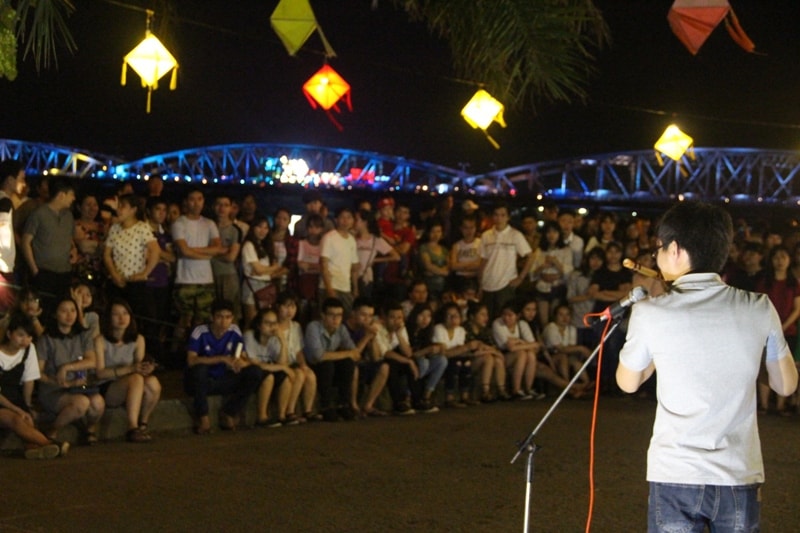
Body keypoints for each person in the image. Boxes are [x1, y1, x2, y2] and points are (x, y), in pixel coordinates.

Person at [617, 202, 798, 533]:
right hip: (738, 472)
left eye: (658, 248)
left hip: (675, 471)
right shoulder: (759, 306)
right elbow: (785, 384)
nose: (656, 256)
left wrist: (662, 341)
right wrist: (741, 358)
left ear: (675, 249)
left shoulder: (651, 312)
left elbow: (628, 382)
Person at [184, 299, 264, 434]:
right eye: (219, 317)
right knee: (199, 370)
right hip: (203, 381)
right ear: (212, 317)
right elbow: (191, 360)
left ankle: (229, 412)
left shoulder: (234, 331)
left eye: (228, 317)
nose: (224, 322)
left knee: (255, 372)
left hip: (224, 377)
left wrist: (240, 363)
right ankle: (203, 417)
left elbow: (243, 356)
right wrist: (221, 358)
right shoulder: (200, 331)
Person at [36, 295, 105, 444]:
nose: (69, 315)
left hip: (78, 385)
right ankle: (52, 430)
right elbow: (38, 372)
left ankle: (89, 429)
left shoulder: (82, 335)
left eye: (73, 310)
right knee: (81, 403)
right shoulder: (46, 339)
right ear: (55, 314)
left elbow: (92, 361)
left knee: (98, 403)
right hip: (54, 388)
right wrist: (56, 381)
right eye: (64, 311)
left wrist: (67, 367)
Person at [0, 313, 69, 459]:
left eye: (29, 336)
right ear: (9, 334)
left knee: (27, 419)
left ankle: (33, 449)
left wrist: (26, 406)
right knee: (15, 419)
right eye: (20, 335)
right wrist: (17, 409)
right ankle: (49, 443)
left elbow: (29, 380)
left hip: (14, 397)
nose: (25, 340)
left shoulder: (29, 349)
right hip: (2, 400)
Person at [94, 299, 161, 443]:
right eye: (116, 314)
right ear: (108, 318)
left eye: (125, 313)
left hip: (132, 383)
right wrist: (129, 369)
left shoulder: (138, 339)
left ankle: (143, 424)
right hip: (108, 386)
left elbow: (139, 366)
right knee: (135, 378)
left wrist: (147, 368)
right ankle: (132, 427)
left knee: (153, 383)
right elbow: (100, 373)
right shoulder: (100, 340)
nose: (121, 318)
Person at [171, 188, 225, 350]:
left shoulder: (209, 223)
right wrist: (207, 253)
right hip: (185, 279)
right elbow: (184, 251)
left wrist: (192, 251)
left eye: (200, 199)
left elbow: (217, 248)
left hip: (206, 279)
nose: (196, 203)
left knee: (203, 320)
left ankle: (198, 350)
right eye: (192, 199)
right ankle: (175, 352)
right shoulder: (179, 223)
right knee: (183, 320)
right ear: (186, 202)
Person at [21, 178, 77, 309]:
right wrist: (35, 270)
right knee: (44, 309)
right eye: (71, 194)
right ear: (61, 195)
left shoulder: (69, 216)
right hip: (44, 272)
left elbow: (69, 238)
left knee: (62, 309)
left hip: (65, 272)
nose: (74, 198)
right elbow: (25, 242)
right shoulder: (38, 214)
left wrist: (74, 250)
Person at [103, 194, 160, 320]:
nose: (118, 209)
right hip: (117, 281)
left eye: (122, 206)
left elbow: (155, 251)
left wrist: (145, 273)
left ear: (133, 210)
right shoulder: (114, 228)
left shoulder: (142, 227)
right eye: (118, 206)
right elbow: (107, 254)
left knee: (136, 318)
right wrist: (114, 274)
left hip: (135, 282)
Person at [303, 297, 360, 422]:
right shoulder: (313, 327)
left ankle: (343, 404)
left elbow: (355, 353)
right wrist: (347, 353)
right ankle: (326, 405)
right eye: (331, 315)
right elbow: (318, 356)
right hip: (312, 366)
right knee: (327, 365)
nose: (335, 319)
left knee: (348, 364)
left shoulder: (341, 329)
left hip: (330, 366)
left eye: (339, 315)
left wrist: (346, 354)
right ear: (323, 315)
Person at [479, 201, 534, 321]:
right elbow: (483, 260)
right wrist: (480, 283)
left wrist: (520, 278)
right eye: (496, 215)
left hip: (505, 284)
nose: (499, 218)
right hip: (487, 283)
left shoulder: (515, 235)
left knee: (504, 318)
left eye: (503, 215)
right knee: (486, 319)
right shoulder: (486, 236)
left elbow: (530, 256)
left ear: (508, 217)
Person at [243, 307, 296, 427]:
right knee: (269, 377)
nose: (272, 327)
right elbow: (254, 363)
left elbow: (283, 363)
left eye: (274, 323)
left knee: (285, 377)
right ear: (259, 325)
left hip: (268, 370)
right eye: (267, 323)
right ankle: (262, 416)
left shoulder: (274, 338)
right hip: (252, 374)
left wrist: (282, 341)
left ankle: (282, 415)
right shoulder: (249, 336)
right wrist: (283, 367)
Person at [275, 291, 319, 422]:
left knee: (310, 375)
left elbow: (299, 351)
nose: (290, 310)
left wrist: (304, 365)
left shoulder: (296, 326)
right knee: (298, 374)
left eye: (293, 306)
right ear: (278, 307)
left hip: (293, 362)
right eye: (286, 306)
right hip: (279, 362)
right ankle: (290, 410)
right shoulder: (274, 326)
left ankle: (308, 410)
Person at [240, 216, 287, 325]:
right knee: (251, 322)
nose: (263, 231)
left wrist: (264, 270)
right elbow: (259, 269)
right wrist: (272, 268)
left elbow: (262, 270)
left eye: (266, 228)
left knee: (265, 322)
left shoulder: (265, 245)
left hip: (266, 286)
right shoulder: (249, 245)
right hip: (252, 285)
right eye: (259, 227)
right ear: (253, 228)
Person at [319, 207, 359, 314]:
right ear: (336, 219)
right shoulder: (329, 237)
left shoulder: (352, 240)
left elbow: (354, 268)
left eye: (349, 217)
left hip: (345, 287)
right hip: (330, 286)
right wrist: (329, 289)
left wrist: (355, 289)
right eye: (342, 217)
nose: (345, 221)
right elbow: (323, 264)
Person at [211, 194, 243, 321]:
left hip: (227, 275)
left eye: (226, 205)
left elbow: (231, 257)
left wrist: (209, 253)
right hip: (208, 274)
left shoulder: (235, 230)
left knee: (229, 313)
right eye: (219, 204)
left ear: (231, 208)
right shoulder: (208, 226)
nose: (222, 208)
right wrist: (221, 251)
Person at [0, 159, 26, 313]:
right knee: (5, 314)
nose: (24, 183)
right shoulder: (5, 202)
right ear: (10, 180)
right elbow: (3, 237)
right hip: (3, 270)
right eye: (21, 178)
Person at [72, 193, 106, 287]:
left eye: (95, 204)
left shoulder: (102, 226)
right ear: (79, 207)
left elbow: (107, 249)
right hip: (80, 271)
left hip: (100, 273)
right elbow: (83, 247)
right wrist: (99, 246)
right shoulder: (74, 225)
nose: (92, 208)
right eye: (88, 204)